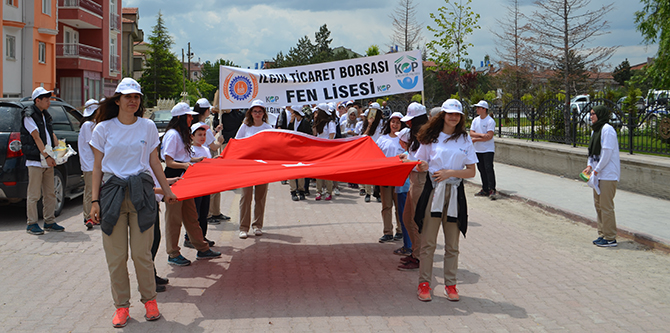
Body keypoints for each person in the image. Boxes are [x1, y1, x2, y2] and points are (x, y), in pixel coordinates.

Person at [88, 78, 174, 327]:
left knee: (141, 255)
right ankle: (122, 307)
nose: (133, 100)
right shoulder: (103, 129)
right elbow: (96, 167)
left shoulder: (147, 126)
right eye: (128, 96)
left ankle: (150, 301)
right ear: (118, 100)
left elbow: (155, 162)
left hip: (142, 195)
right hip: (112, 195)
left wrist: (167, 191)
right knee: (116, 258)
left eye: (136, 97)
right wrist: (94, 201)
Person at [413, 99, 477, 302]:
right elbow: (418, 162)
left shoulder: (465, 139)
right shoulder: (431, 137)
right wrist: (421, 166)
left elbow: (471, 171)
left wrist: (450, 173)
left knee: (452, 244)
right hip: (434, 193)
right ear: (443, 115)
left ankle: (450, 285)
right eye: (450, 113)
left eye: (457, 114)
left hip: (455, 194)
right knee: (428, 242)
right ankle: (424, 284)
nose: (453, 117)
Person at [162, 102, 222, 266]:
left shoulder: (182, 134)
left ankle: (202, 248)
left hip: (185, 179)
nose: (191, 118)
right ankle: (173, 253)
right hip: (175, 181)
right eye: (188, 116)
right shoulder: (173, 135)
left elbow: (185, 158)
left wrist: (199, 160)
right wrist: (185, 165)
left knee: (191, 216)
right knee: (174, 220)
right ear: (180, 118)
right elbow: (169, 161)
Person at [21, 87, 65, 235]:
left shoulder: (45, 115)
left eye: (49, 98)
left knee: (50, 193)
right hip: (35, 160)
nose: (48, 101)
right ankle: (31, 223)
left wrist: (58, 149)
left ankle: (49, 221)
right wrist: (47, 156)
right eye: (45, 99)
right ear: (37, 100)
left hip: (47, 159)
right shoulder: (29, 115)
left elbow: (49, 133)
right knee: (34, 194)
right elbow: (36, 137)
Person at [397, 102, 429, 271]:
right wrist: (407, 157)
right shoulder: (416, 136)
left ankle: (419, 257)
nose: (407, 123)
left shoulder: (427, 136)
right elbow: (415, 157)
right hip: (414, 180)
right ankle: (415, 253)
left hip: (421, 181)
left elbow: (424, 163)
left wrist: (408, 161)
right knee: (407, 218)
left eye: (411, 120)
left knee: (417, 221)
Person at [583, 105, 620, 247]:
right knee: (598, 205)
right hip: (597, 174)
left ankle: (610, 237)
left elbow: (606, 154)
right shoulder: (596, 131)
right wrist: (589, 166)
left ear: (601, 115)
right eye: (590, 114)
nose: (591, 116)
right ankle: (602, 234)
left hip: (608, 174)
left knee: (606, 206)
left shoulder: (607, 130)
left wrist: (596, 170)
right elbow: (592, 153)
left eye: (594, 114)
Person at [236, 99, 273, 239]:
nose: (257, 114)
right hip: (246, 167)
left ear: (264, 113)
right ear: (250, 113)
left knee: (260, 197)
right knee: (245, 197)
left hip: (262, 167)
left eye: (260, 111)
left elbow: (272, 147)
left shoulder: (268, 128)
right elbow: (237, 143)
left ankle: (257, 225)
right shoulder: (245, 127)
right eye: (255, 111)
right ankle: (243, 227)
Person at [183, 123, 216, 249]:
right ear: (192, 136)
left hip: (206, 185)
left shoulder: (206, 149)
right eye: (199, 135)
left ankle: (201, 236)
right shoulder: (190, 151)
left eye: (204, 135)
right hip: (195, 186)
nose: (202, 137)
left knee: (204, 213)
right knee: (194, 213)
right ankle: (189, 237)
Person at [375, 112, 406, 243]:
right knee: (386, 205)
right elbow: (375, 155)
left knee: (400, 205)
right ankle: (387, 232)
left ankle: (400, 230)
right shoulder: (382, 139)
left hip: (400, 177)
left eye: (398, 122)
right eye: (393, 122)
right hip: (386, 176)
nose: (395, 124)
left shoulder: (405, 140)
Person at [470, 100, 498, 199]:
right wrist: (482, 135)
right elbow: (471, 133)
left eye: (478, 108)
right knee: (481, 169)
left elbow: (489, 136)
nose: (477, 109)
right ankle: (485, 189)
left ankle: (492, 189)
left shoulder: (490, 121)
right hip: (478, 149)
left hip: (488, 149)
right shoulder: (475, 120)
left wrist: (476, 139)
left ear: (484, 109)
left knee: (488, 168)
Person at [78, 99, 99, 230]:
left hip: (93, 164)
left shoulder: (93, 124)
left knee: (94, 191)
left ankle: (94, 216)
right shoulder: (87, 125)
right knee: (90, 192)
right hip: (90, 164)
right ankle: (88, 217)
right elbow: (93, 145)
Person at [312, 103, 336, 201]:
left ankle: (328, 192)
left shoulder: (330, 123)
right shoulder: (317, 122)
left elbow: (332, 135)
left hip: (327, 150)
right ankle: (319, 191)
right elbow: (315, 135)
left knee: (327, 173)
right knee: (318, 172)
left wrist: (327, 148)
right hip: (318, 149)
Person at [287, 105, 311, 201]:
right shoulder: (292, 122)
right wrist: (291, 122)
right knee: (291, 171)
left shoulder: (304, 122)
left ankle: (301, 190)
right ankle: (293, 191)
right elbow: (288, 133)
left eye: (293, 112)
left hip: (302, 150)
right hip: (292, 149)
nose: (291, 114)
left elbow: (308, 135)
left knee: (301, 171)